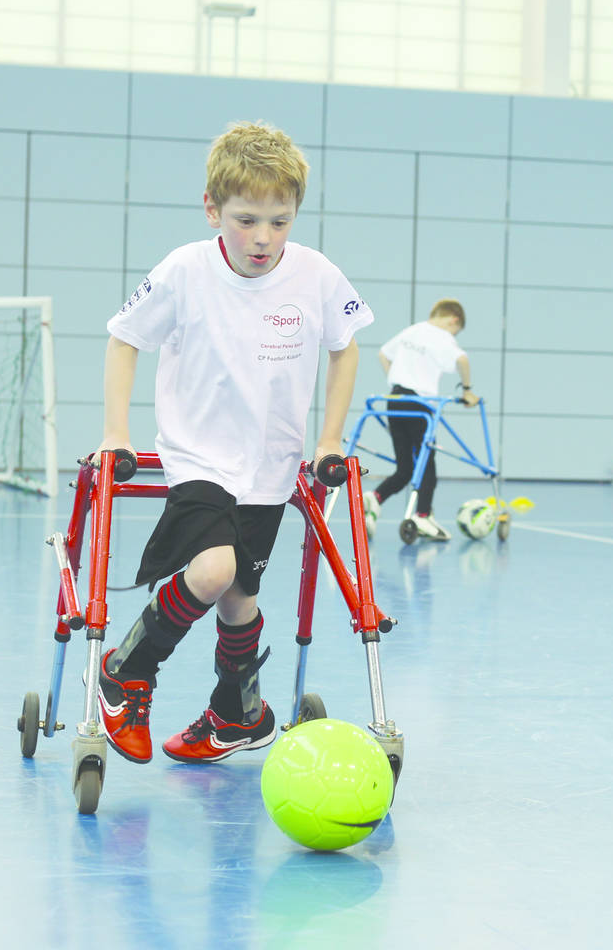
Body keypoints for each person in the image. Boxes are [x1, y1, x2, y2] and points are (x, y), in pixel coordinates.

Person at [95, 121, 373, 766]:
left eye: (280, 222)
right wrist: (117, 432)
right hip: (199, 456)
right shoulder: (185, 270)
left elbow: (345, 349)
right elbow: (124, 338)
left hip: (270, 467)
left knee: (239, 597)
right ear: (213, 208)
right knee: (213, 569)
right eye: (247, 220)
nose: (263, 238)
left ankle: (237, 714)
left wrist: (328, 438)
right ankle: (127, 669)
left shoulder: (317, 275)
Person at [364, 299, 478, 540]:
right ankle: (423, 516)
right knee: (427, 463)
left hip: (394, 400)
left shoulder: (413, 330)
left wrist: (396, 380)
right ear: (453, 320)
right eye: (456, 330)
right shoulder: (443, 337)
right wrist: (467, 390)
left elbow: (383, 354)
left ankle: (374, 499)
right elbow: (462, 360)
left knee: (405, 466)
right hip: (419, 404)